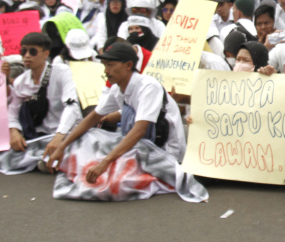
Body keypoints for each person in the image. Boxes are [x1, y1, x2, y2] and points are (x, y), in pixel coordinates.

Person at [45, 42, 187, 181]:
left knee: (111, 180)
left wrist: (106, 162)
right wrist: (62, 146)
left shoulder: (148, 87)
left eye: (111, 65)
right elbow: (92, 118)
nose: (106, 71)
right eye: (105, 65)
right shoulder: (116, 89)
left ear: (128, 65)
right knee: (89, 137)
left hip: (163, 149)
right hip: (139, 145)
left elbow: (140, 130)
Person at [7, 33, 82, 152]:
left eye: (33, 51)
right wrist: (14, 131)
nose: (27, 56)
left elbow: (72, 106)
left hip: (66, 133)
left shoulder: (62, 72)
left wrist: (59, 136)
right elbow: (12, 112)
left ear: (46, 54)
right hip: (39, 136)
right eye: (23, 51)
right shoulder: (21, 82)